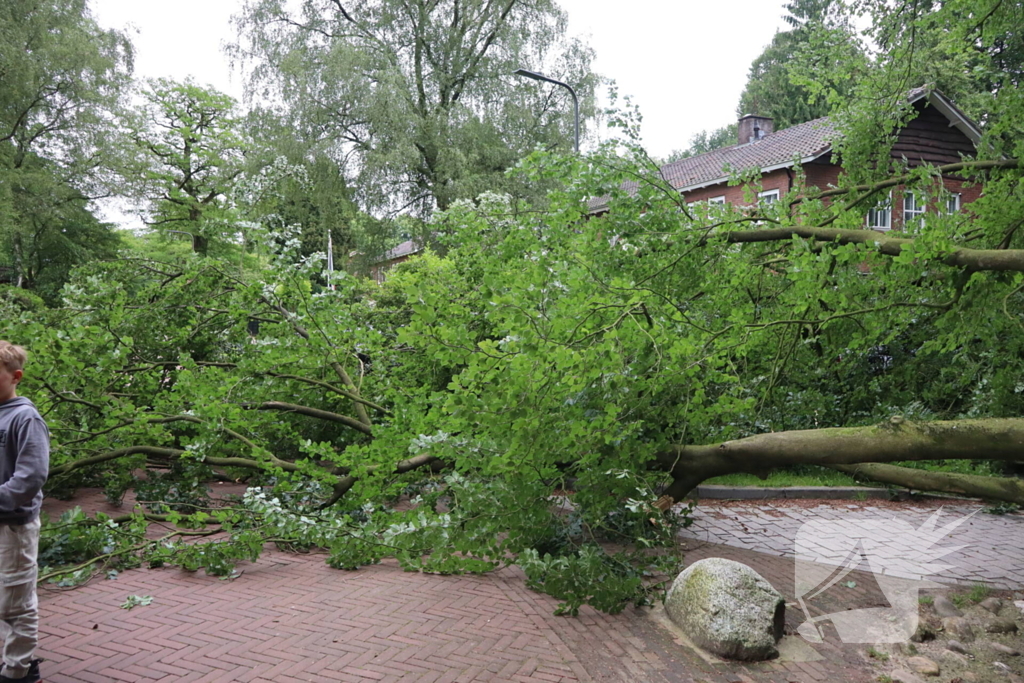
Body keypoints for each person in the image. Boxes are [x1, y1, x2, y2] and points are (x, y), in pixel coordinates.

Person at [0, 342, 48, 683]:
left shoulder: (24, 417)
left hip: (13, 527)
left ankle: (19, 671)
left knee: (16, 602)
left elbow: (30, 477)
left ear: (16, 377)